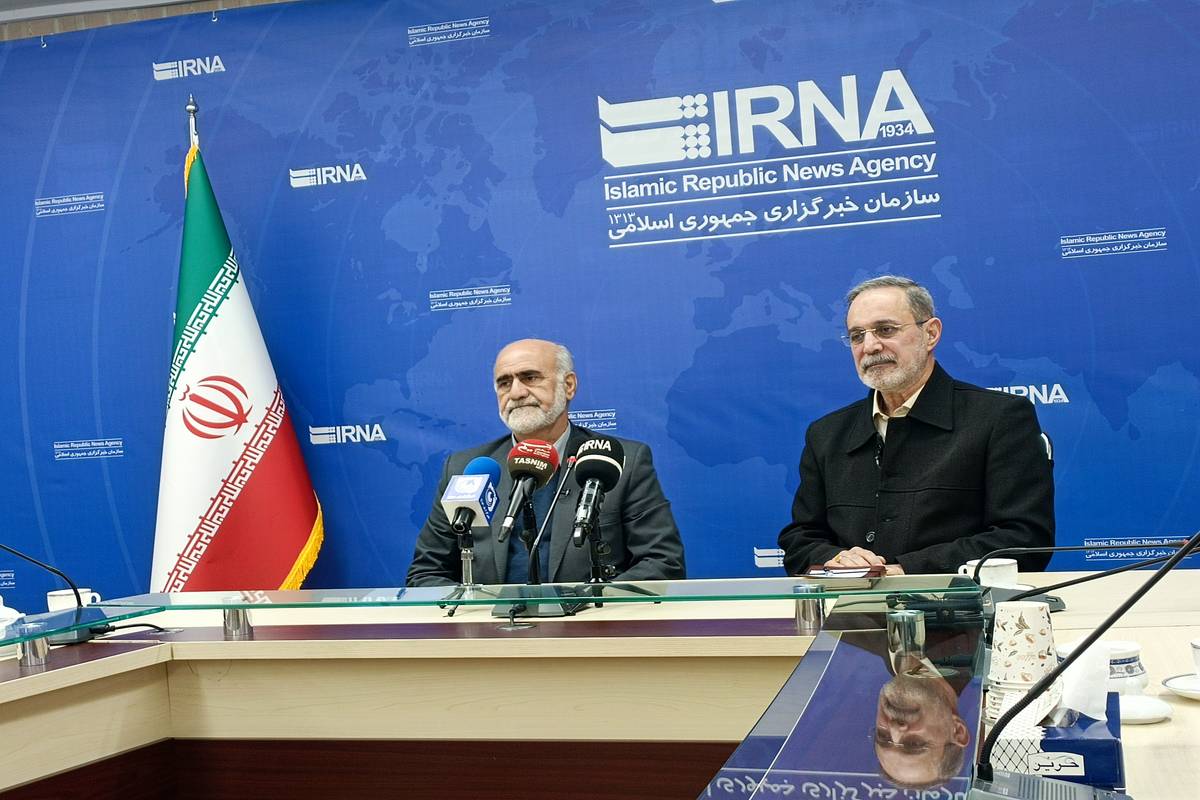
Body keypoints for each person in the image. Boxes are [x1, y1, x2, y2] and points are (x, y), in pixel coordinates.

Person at [778, 276, 1054, 575]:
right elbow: (800, 540)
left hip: (958, 603)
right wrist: (836, 559)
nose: (870, 346)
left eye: (885, 330)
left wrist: (904, 571)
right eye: (857, 336)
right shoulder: (826, 434)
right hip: (851, 602)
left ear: (931, 333)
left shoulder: (999, 418)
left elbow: (1023, 539)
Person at [407, 338, 685, 585]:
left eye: (530, 377)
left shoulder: (621, 461)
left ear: (569, 385)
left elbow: (662, 563)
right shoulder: (466, 469)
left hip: (591, 623)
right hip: (488, 625)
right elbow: (426, 573)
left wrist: (589, 606)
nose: (516, 393)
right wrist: (474, 612)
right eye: (504, 383)